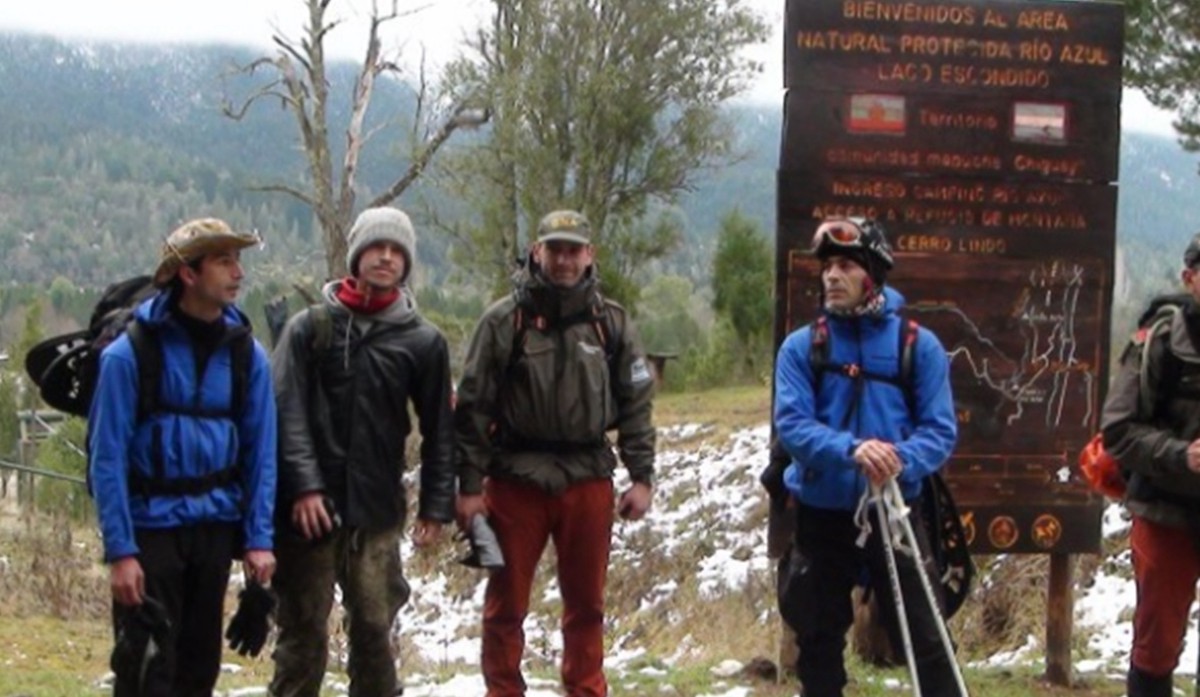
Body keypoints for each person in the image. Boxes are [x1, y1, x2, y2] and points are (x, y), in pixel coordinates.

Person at [455, 209, 657, 697]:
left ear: (589, 255)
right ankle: (503, 690)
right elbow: (473, 408)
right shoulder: (504, 320)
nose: (564, 260)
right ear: (536, 252)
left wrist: (642, 476)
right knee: (505, 606)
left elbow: (636, 403)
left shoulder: (611, 323)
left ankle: (585, 689)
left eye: (573, 250)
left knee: (587, 606)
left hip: (588, 477)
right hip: (514, 479)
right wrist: (469, 486)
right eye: (555, 249)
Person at [269, 206, 455, 697]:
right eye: (377, 247)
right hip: (307, 514)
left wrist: (435, 506)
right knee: (302, 634)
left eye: (397, 251)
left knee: (374, 632)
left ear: (407, 263)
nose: (386, 258)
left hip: (377, 510)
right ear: (356, 256)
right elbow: (284, 413)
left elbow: (440, 430)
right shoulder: (309, 329)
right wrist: (305, 487)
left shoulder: (423, 341)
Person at [773, 216, 961, 696]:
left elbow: (939, 430)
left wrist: (898, 459)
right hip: (822, 512)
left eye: (845, 266)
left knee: (927, 636)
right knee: (817, 640)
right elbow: (792, 425)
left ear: (872, 273)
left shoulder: (917, 346)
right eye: (827, 267)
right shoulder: (802, 347)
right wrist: (852, 450)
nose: (832, 276)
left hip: (895, 512)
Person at [89, 217, 278, 696]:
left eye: (238, 260)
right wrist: (121, 552)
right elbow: (107, 459)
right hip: (150, 532)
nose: (238, 272)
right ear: (188, 274)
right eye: (223, 261)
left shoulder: (248, 356)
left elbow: (261, 454)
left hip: (213, 531)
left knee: (198, 672)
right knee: (147, 673)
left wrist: (259, 540)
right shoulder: (128, 356)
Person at [1101, 232, 1200, 697]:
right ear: (1189, 278)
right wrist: (1182, 455)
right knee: (1157, 645)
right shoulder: (1158, 342)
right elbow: (1118, 430)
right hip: (1166, 511)